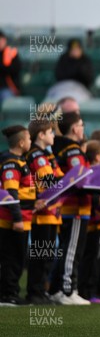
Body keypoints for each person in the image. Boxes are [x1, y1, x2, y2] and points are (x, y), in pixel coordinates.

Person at [49, 111, 92, 305]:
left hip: (66, 207)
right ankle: (68, 291)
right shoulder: (74, 150)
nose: (83, 128)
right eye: (81, 124)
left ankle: (56, 289)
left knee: (67, 248)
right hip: (75, 208)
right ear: (75, 128)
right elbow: (80, 179)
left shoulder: (59, 148)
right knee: (72, 250)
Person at [25, 119, 64, 305]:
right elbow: (49, 181)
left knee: (47, 255)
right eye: (50, 132)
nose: (53, 135)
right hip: (41, 214)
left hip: (51, 213)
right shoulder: (36, 155)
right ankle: (34, 292)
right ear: (41, 135)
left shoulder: (47, 156)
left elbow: (60, 177)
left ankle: (41, 291)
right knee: (40, 255)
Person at [0, 126, 33, 306]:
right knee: (12, 258)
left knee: (17, 258)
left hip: (24, 218)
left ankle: (10, 292)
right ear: (21, 143)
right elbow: (11, 193)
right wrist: (18, 218)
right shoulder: (11, 163)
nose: (30, 142)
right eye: (28, 139)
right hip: (12, 221)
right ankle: (7, 294)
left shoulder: (20, 161)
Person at [78, 140, 100, 304]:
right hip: (93, 220)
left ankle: (90, 290)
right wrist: (99, 199)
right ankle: (86, 291)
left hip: (99, 221)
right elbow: (88, 193)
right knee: (91, 256)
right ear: (97, 156)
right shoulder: (92, 173)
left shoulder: (99, 172)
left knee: (96, 256)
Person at [0, 30, 21, 103]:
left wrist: (2, 68)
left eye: (1, 39)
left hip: (8, 87)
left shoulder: (12, 52)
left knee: (6, 98)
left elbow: (15, 69)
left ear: (4, 40)